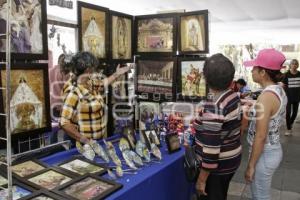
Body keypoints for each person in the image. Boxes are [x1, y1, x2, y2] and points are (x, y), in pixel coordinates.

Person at [194, 54, 242, 200]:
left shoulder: (214, 106)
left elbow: (211, 150)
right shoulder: (232, 96)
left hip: (218, 168)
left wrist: (202, 179)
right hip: (232, 158)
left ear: (206, 78)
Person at [243, 49, 287, 200]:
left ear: (263, 72)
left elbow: (261, 136)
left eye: (254, 68)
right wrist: (254, 105)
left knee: (260, 196)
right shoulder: (277, 90)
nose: (252, 71)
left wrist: (251, 165)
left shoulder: (266, 97)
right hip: (271, 150)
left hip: (264, 153)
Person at [60, 51, 132, 144]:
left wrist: (117, 74)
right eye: (94, 68)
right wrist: (84, 140)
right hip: (83, 145)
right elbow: (64, 123)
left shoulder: (89, 82)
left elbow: (103, 83)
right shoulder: (74, 91)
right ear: (88, 70)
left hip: (96, 142)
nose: (95, 70)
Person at [282, 59, 300, 136]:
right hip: (288, 97)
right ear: (290, 65)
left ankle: (291, 123)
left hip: (297, 96)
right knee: (288, 113)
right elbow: (283, 85)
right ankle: (288, 129)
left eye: (296, 64)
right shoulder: (286, 74)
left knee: (295, 113)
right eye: (293, 64)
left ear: (298, 65)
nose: (294, 65)